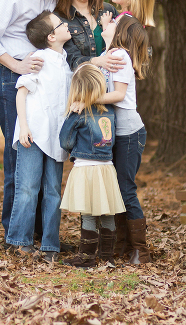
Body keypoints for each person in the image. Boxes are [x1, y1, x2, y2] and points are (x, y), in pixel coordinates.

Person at [0, 0, 73, 244]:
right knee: (19, 157)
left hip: (41, 78)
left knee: (43, 155)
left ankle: (41, 235)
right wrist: (17, 65)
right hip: (11, 78)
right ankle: (14, 235)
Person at [5, 11, 72, 263]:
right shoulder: (39, 58)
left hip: (55, 137)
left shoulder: (64, 60)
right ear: (51, 36)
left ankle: (50, 245)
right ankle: (19, 241)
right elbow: (21, 93)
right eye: (61, 24)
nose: (68, 25)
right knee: (28, 188)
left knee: (53, 191)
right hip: (32, 133)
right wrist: (23, 127)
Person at [96, 14, 152, 264]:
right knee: (117, 189)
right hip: (117, 132)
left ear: (120, 32)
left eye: (113, 22)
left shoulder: (119, 55)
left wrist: (88, 99)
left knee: (125, 189)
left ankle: (140, 250)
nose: (108, 21)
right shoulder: (112, 53)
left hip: (129, 132)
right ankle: (122, 246)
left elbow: (117, 95)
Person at [59, 64, 126, 269]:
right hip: (106, 168)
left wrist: (71, 117)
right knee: (107, 211)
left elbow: (66, 142)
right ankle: (107, 257)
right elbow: (111, 141)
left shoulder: (78, 113)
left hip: (86, 168)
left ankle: (87, 257)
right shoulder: (110, 111)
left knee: (88, 212)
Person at [55, 0, 124, 71]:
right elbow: (71, 58)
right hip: (81, 85)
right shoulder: (59, 18)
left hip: (113, 83)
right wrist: (98, 61)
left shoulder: (108, 10)